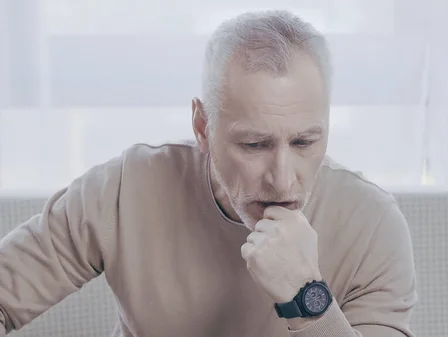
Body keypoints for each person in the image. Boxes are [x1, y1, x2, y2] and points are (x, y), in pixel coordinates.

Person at [0, 10, 418, 337]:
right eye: (254, 145)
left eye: (305, 142)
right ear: (203, 126)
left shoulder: (372, 223)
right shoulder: (126, 189)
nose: (283, 180)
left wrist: (305, 295)